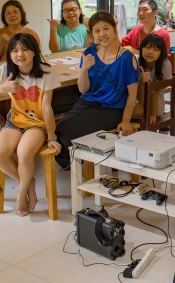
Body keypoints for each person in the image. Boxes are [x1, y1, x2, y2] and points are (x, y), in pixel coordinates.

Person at [0, 33, 62, 216]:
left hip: (37, 123)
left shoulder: (46, 71)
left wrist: (52, 137)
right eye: (14, 50)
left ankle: (22, 193)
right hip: (15, 121)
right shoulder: (7, 69)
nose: (19, 54)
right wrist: (2, 88)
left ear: (34, 52)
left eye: (25, 49)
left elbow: (46, 108)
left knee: (24, 153)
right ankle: (28, 183)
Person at [54, 11, 139, 168]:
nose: (102, 34)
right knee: (58, 128)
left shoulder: (126, 57)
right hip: (86, 103)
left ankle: (76, 166)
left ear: (114, 29)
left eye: (106, 28)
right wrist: (84, 69)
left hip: (111, 109)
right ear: (92, 34)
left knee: (67, 131)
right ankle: (74, 165)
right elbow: (83, 89)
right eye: (97, 31)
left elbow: (132, 94)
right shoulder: (89, 53)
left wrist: (126, 120)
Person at [134, 33, 172, 122]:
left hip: (154, 107)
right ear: (141, 48)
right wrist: (142, 82)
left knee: (121, 113)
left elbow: (157, 91)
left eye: (156, 49)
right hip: (139, 101)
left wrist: (153, 114)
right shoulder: (138, 61)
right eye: (147, 48)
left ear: (161, 52)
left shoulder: (165, 64)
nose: (150, 52)